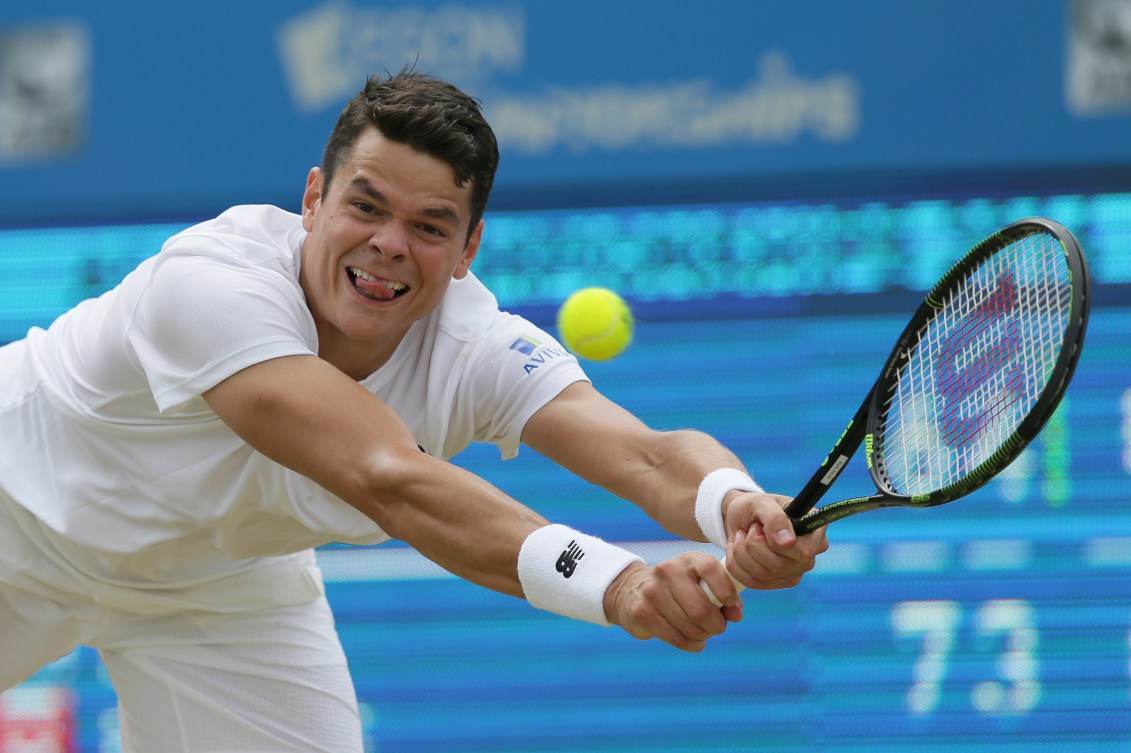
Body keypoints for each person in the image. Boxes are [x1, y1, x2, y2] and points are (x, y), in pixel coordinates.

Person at [0, 68, 828, 751]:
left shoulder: (476, 347)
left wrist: (735, 506)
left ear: (468, 249)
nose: (390, 244)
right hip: (16, 513)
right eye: (366, 206)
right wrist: (619, 584)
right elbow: (387, 476)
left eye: (431, 226)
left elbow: (645, 455)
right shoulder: (209, 285)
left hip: (212, 584)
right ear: (313, 200)